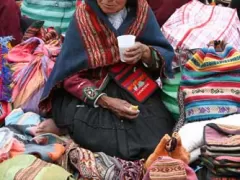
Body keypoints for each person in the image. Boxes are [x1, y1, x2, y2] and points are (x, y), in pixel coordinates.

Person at [38, 0, 175, 160]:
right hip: (93, 87)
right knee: (108, 140)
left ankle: (66, 127)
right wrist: (104, 100)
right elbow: (69, 74)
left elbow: (162, 54)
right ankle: (65, 126)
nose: (108, 0)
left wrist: (146, 52)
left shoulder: (141, 12)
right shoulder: (83, 17)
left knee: (159, 136)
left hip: (133, 82)